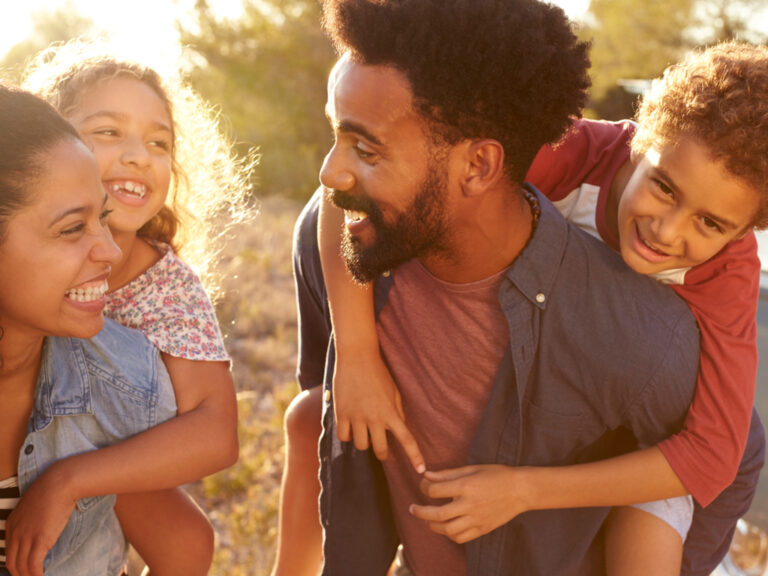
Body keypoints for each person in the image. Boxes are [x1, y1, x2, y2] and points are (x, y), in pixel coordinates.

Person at [287, 0, 764, 574]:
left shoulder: (727, 274)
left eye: (710, 224)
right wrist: (358, 354)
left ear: (746, 230)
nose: (668, 230)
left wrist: (525, 490)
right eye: (663, 187)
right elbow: (362, 188)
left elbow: (714, 455)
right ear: (642, 143)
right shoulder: (577, 154)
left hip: (662, 447)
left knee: (654, 528)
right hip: (580, 387)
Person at [7, 40, 255, 575]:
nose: (140, 155)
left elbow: (216, 433)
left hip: (106, 475)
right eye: (108, 132)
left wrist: (76, 479)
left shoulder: (166, 288)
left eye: (159, 142)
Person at [0, 83, 175, 576]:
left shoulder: (122, 380)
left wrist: (73, 480)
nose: (111, 251)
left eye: (103, 217)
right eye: (73, 228)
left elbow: (185, 543)